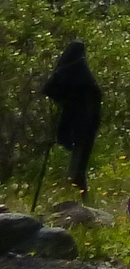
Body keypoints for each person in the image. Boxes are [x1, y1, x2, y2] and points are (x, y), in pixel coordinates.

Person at [43, 40, 102, 198]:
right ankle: (77, 191)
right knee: (80, 157)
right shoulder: (82, 72)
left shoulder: (66, 70)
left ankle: (76, 192)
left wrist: (65, 100)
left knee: (78, 157)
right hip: (85, 121)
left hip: (74, 119)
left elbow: (49, 88)